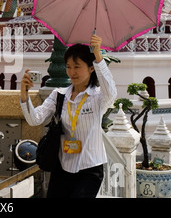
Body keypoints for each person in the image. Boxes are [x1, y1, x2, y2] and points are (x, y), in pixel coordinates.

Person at [20, 35, 117, 198]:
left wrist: (98, 55)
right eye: (68, 66)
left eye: (77, 67)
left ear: (91, 68)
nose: (72, 72)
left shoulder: (98, 97)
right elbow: (34, 119)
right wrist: (24, 95)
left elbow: (112, 93)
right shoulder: (59, 95)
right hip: (62, 167)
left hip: (90, 169)